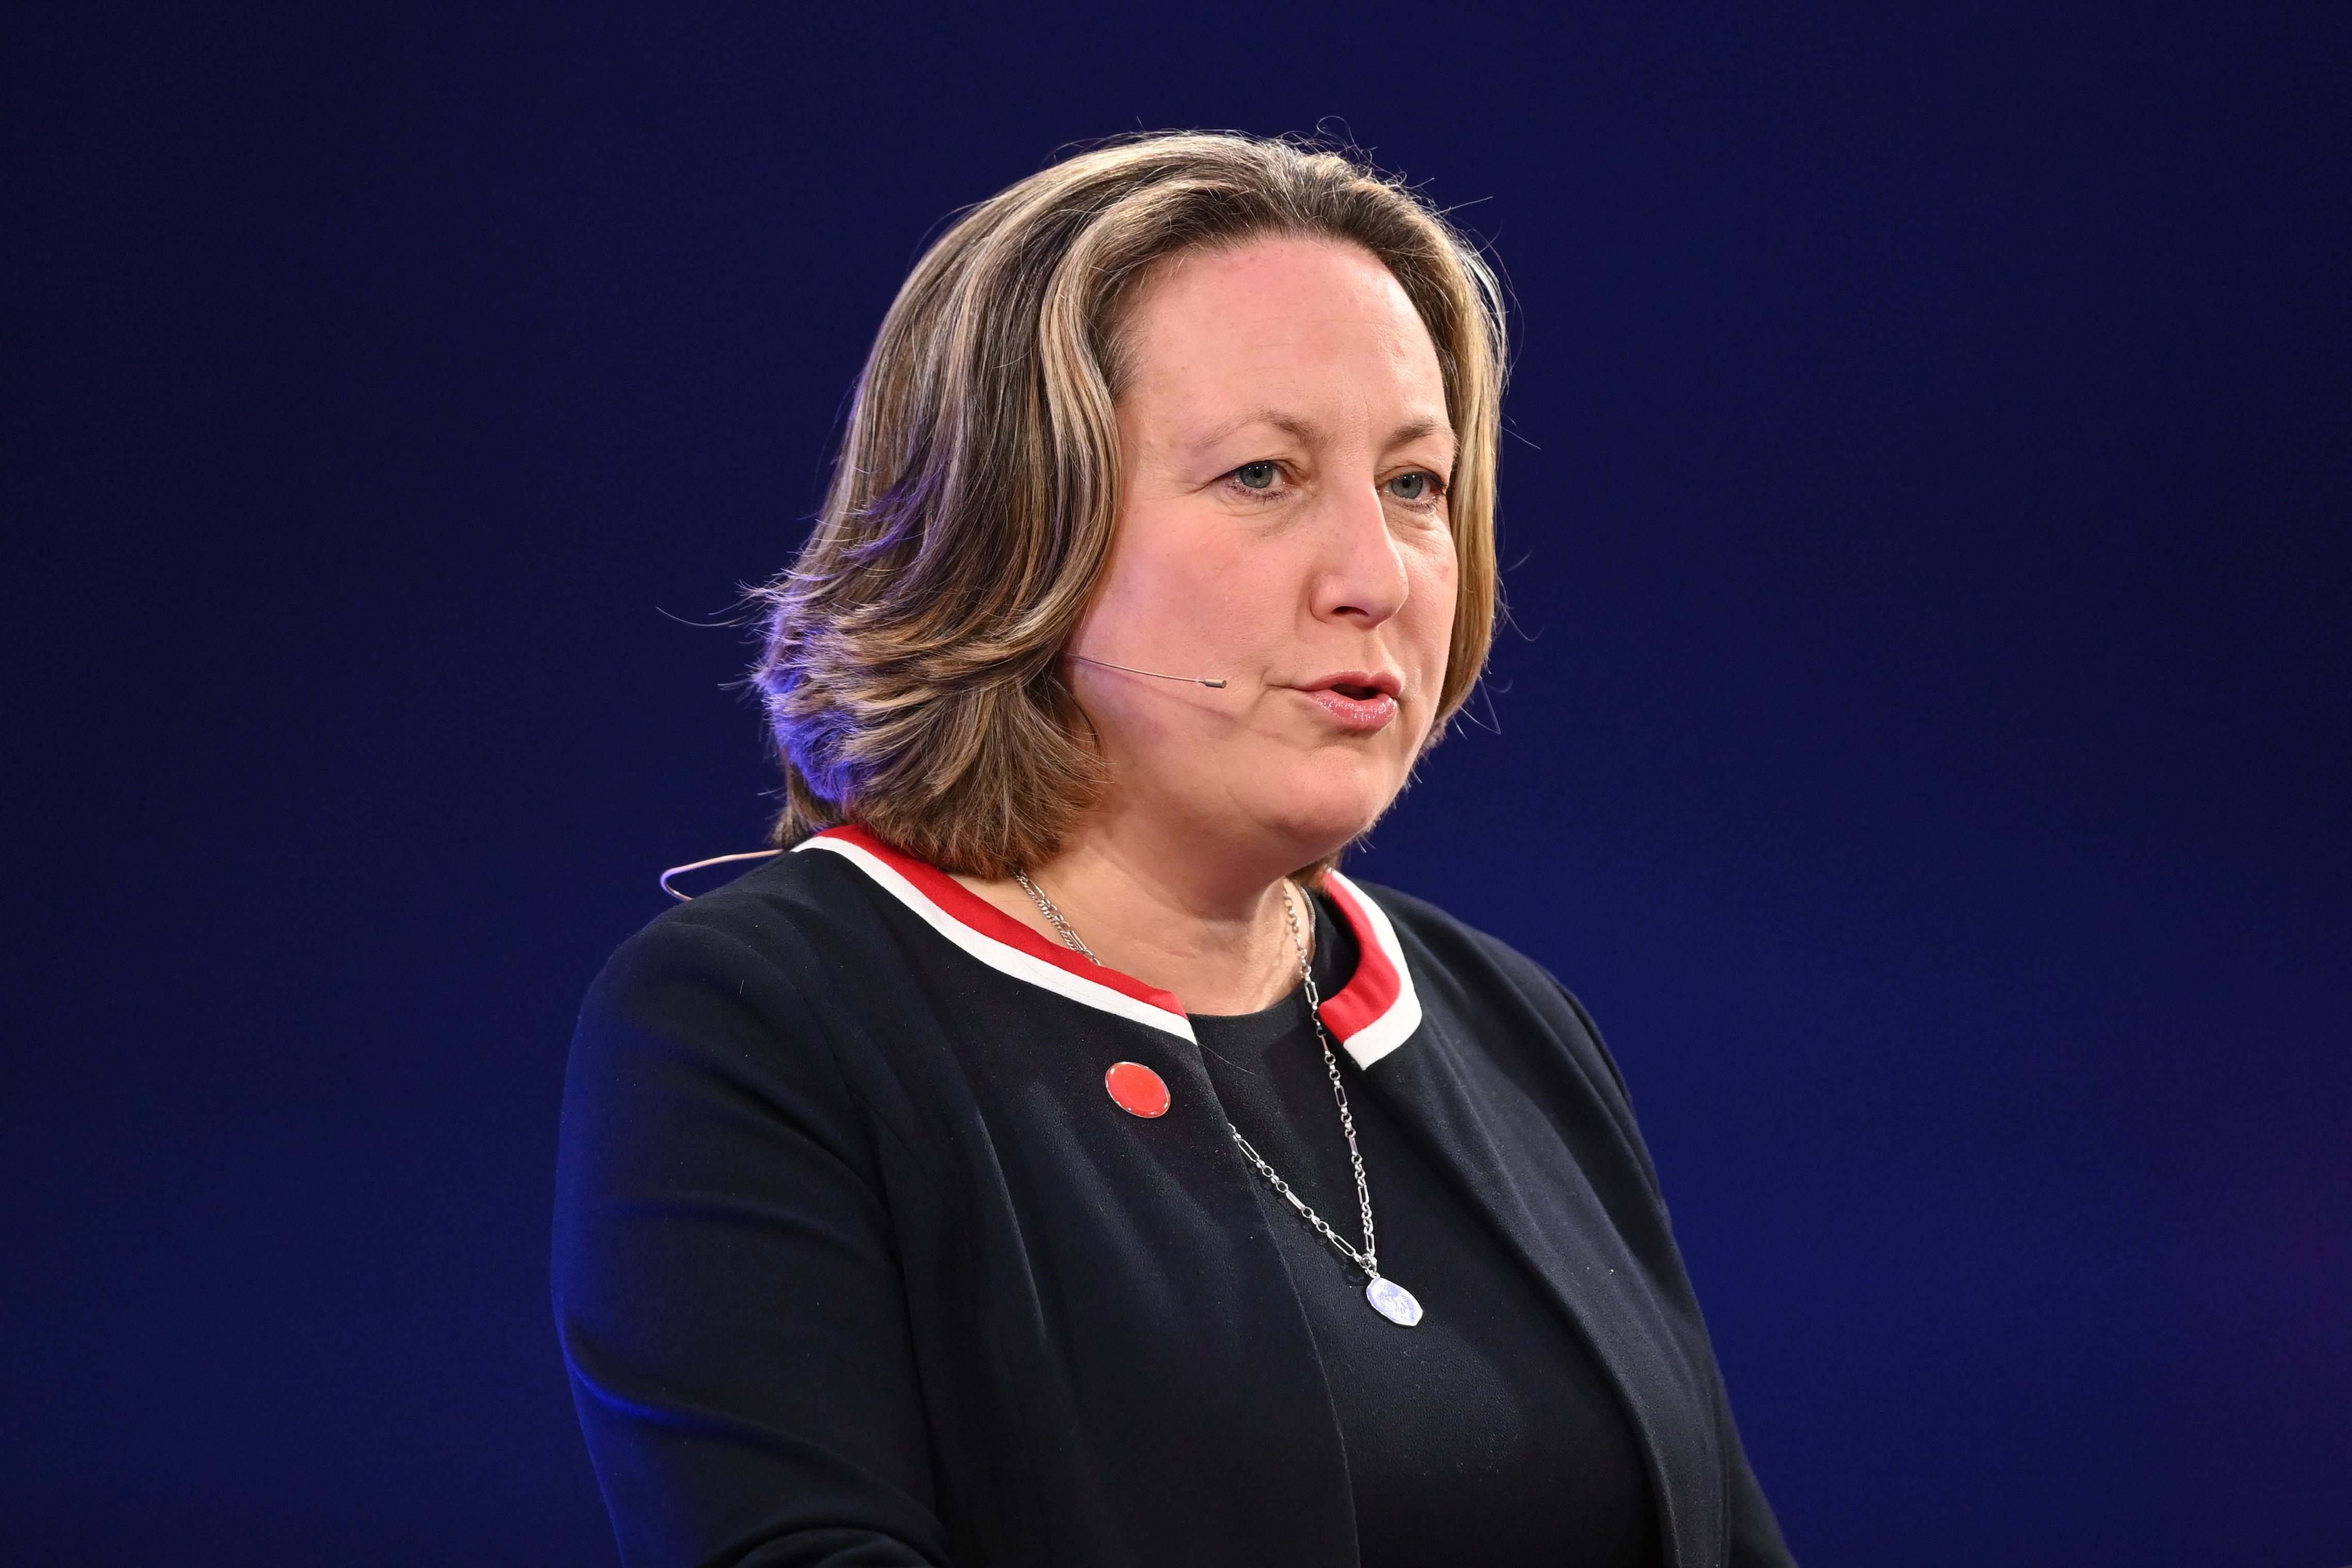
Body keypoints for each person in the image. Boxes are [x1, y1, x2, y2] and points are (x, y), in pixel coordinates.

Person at [553, 131, 1797, 1568]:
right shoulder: (766, 1018)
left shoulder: (1506, 1020)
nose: (1376, 577)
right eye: (1264, 476)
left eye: (1415, 483)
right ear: (1019, 530)